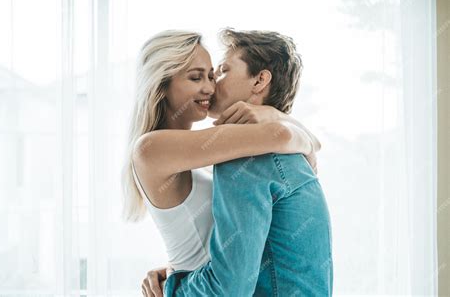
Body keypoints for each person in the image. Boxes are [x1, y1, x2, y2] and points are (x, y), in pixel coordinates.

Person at [121, 29, 331, 297]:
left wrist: (176, 276)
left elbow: (227, 252)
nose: (211, 87)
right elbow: (282, 135)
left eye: (214, 74)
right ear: (161, 83)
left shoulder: (216, 156)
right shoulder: (150, 148)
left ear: (260, 80)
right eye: (197, 77)